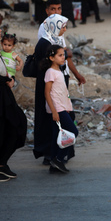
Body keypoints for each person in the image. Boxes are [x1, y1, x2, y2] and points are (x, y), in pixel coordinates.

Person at [0, 20, 27, 182]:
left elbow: (5, 70)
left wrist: (12, 78)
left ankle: (1, 163)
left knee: (17, 125)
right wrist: (6, 81)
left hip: (3, 95)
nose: (0, 31)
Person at [33, 14, 75, 166]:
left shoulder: (55, 40)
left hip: (58, 92)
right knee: (57, 125)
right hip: (51, 94)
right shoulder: (44, 44)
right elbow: (46, 74)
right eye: (63, 26)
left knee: (59, 126)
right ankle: (52, 156)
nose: (65, 29)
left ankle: (55, 155)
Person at [40, 44, 78, 173]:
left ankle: (54, 164)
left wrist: (67, 107)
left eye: (64, 55)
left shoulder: (59, 71)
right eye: (60, 55)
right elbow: (47, 93)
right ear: (51, 58)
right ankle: (59, 159)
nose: (63, 58)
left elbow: (61, 92)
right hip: (57, 109)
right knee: (73, 133)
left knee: (57, 136)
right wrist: (54, 111)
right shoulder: (50, 72)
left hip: (62, 108)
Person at [37, 0, 86, 88]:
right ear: (47, 11)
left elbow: (65, 55)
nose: (57, 12)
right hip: (54, 76)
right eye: (53, 9)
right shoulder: (45, 30)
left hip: (63, 73)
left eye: (59, 9)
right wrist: (67, 53)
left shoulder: (58, 29)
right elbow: (52, 54)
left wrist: (77, 74)